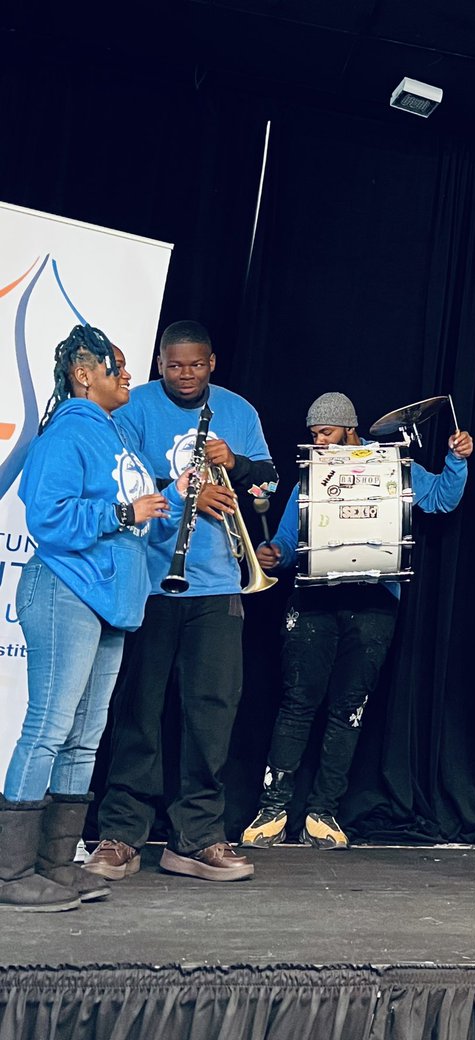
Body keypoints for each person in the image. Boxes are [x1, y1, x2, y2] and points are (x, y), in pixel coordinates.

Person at [86, 321, 277, 883]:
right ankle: (121, 834)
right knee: (138, 712)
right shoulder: (133, 407)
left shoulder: (238, 411)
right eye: (174, 365)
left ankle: (196, 839)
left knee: (212, 715)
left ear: (212, 363)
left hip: (217, 585)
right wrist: (186, 483)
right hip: (146, 580)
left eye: (195, 365)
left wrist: (236, 467)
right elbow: (117, 482)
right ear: (160, 363)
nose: (185, 374)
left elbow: (266, 483)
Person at [1, 325, 183, 911]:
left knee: (84, 738)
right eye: (117, 368)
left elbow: (129, 509)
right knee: (50, 728)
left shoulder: (112, 437)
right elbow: (49, 517)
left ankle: (55, 863)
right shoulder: (67, 434)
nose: (128, 376)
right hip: (65, 593)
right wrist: (123, 510)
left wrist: (169, 493)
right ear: (86, 374)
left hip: (110, 600)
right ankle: (9, 873)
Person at [239, 392, 472, 850]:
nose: (320, 442)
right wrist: (275, 554)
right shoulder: (311, 473)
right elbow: (288, 540)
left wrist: (456, 458)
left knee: (349, 708)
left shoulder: (391, 465)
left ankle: (322, 813)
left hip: (373, 603)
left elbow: (442, 499)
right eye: (313, 436)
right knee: (297, 703)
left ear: (349, 428)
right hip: (313, 602)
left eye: (325, 433)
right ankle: (273, 808)